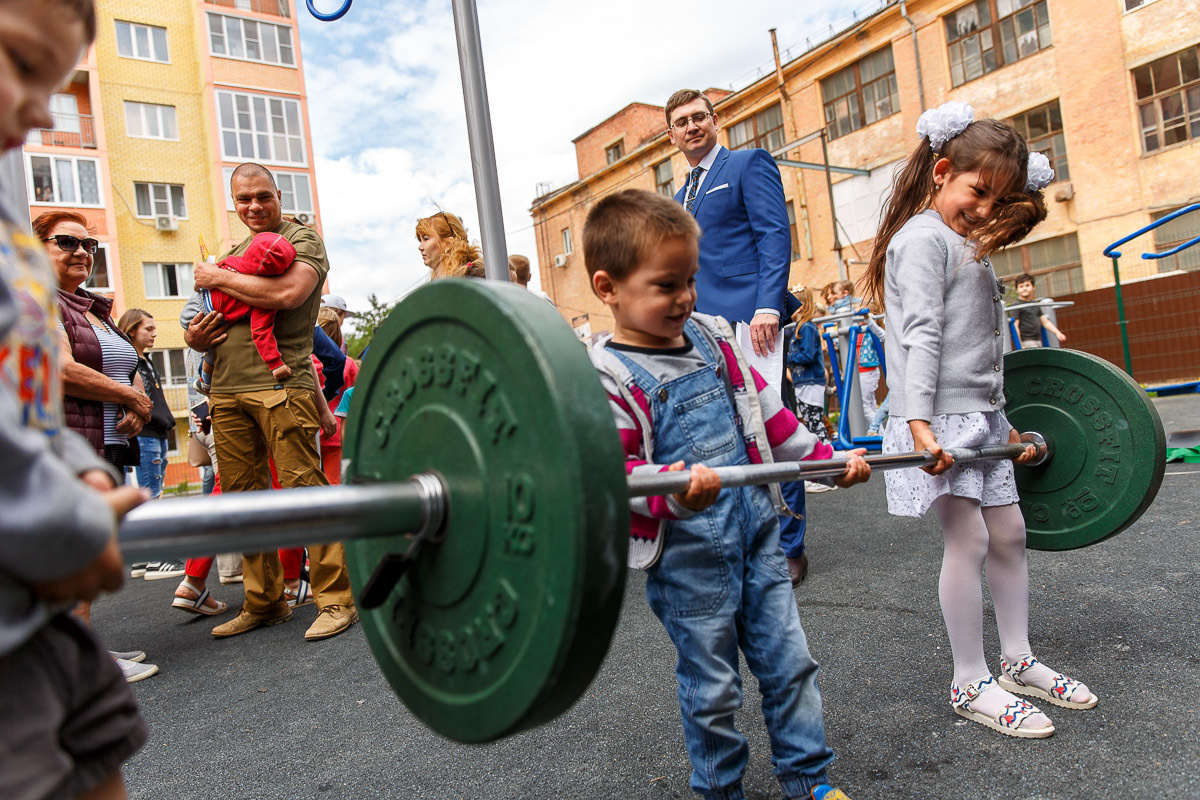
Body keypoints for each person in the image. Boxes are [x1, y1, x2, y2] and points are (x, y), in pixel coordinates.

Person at [584, 190, 869, 800]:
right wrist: (675, 495)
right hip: (687, 556)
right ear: (608, 288)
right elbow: (617, 473)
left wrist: (828, 463)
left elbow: (769, 420)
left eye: (690, 279)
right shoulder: (604, 377)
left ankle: (810, 780)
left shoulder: (714, 337)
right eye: (666, 285)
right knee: (713, 689)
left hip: (758, 529)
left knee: (790, 665)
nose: (685, 296)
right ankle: (719, 790)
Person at [861, 102, 1096, 739]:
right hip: (936, 417)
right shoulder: (920, 240)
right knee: (966, 542)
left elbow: (981, 350)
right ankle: (970, 680)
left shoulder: (966, 244)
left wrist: (1006, 423)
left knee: (1011, 535)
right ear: (941, 171)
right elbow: (922, 337)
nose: (986, 208)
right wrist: (918, 423)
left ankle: (1018, 661)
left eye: (1000, 199)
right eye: (978, 191)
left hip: (981, 418)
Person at [1, 0, 152, 795]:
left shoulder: (14, 249)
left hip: (39, 613)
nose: (38, 107)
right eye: (23, 66)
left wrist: (79, 473)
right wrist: (59, 525)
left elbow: (22, 397)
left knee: (105, 753)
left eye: (53, 84)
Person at [185, 163, 357, 641]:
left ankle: (337, 600)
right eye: (244, 200)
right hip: (225, 389)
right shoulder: (234, 251)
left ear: (278, 195)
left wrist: (215, 276)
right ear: (234, 203)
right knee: (243, 502)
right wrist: (197, 339)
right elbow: (209, 316)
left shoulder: (301, 239)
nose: (254, 206)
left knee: (306, 493)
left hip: (283, 384)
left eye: (263, 196)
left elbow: (286, 292)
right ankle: (265, 603)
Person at [666, 89, 795, 376]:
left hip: (750, 320)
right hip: (702, 330)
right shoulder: (678, 199)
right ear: (672, 136)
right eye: (682, 122)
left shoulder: (748, 163)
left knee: (769, 416)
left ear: (715, 121)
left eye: (699, 117)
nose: (692, 127)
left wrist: (767, 307)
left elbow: (773, 234)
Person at [183, 231, 298, 394]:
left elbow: (211, 272)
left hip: (195, 301)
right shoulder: (261, 297)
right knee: (214, 346)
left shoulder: (234, 262)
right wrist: (275, 364)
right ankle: (206, 382)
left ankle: (204, 380)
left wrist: (199, 284)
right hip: (206, 314)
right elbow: (260, 332)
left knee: (214, 342)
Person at [116, 309, 174, 499]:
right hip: (145, 434)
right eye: (148, 329)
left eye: (154, 329)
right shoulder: (129, 362)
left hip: (159, 432)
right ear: (132, 330)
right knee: (150, 493)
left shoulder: (146, 361)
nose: (154, 333)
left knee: (156, 490)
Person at [415, 211, 482, 280]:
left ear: (448, 244)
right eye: (420, 241)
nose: (420, 247)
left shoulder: (472, 278)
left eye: (426, 239)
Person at [1011, 273, 1066, 348]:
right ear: (1017, 289)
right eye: (1021, 286)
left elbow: (1045, 322)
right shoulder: (1016, 305)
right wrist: (1020, 344)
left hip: (1038, 340)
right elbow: (1015, 325)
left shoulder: (1034, 304)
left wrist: (1057, 333)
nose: (1024, 288)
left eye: (1027, 285)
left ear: (1033, 287)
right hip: (1026, 341)